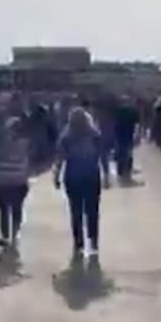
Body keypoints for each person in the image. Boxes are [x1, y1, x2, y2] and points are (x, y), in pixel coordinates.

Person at [54, 107, 107, 257]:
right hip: (91, 175)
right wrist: (107, 174)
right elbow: (102, 155)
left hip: (73, 177)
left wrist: (56, 176)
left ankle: (79, 243)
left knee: (75, 210)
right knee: (93, 211)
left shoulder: (66, 138)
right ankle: (94, 241)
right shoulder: (94, 135)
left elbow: (60, 159)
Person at [0, 117, 32, 248]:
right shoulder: (26, 144)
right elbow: (31, 161)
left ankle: (5, 236)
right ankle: (15, 233)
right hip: (19, 181)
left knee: (3, 210)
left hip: (2, 180)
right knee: (17, 208)